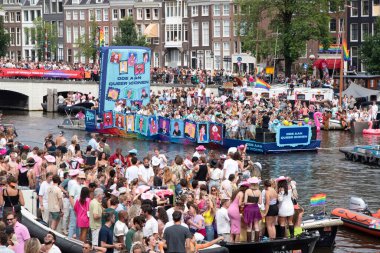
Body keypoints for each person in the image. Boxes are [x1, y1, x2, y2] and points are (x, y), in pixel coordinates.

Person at [243, 178, 262, 242]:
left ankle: (249, 242)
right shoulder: (259, 191)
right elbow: (260, 202)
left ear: (250, 183)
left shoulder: (247, 191)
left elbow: (245, 202)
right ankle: (257, 241)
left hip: (249, 209)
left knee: (249, 226)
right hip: (256, 208)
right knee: (256, 225)